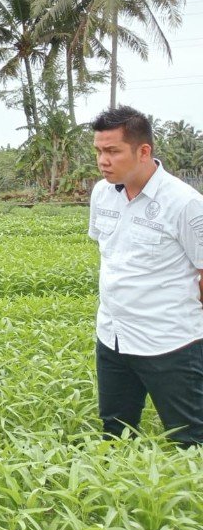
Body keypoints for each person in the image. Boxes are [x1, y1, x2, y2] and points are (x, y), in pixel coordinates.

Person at [89, 106, 203, 446]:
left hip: (169, 343)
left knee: (190, 440)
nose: (102, 160)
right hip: (113, 337)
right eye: (98, 151)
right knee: (115, 432)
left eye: (112, 151)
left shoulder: (185, 203)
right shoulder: (101, 193)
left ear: (143, 151)